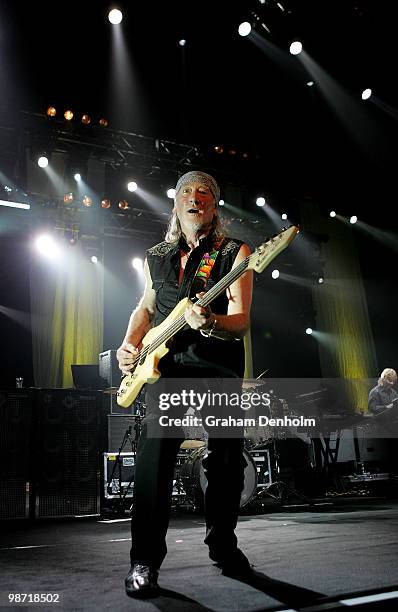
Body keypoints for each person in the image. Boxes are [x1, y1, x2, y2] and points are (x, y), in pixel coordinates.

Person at [116, 170, 253, 597]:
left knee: (227, 461)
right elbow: (146, 307)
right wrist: (129, 343)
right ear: (176, 204)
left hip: (219, 368)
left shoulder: (235, 252)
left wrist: (210, 323)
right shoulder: (156, 256)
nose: (196, 198)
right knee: (153, 459)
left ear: (215, 206)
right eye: (188, 192)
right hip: (166, 368)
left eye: (205, 193)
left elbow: (241, 320)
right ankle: (143, 560)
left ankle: (222, 545)